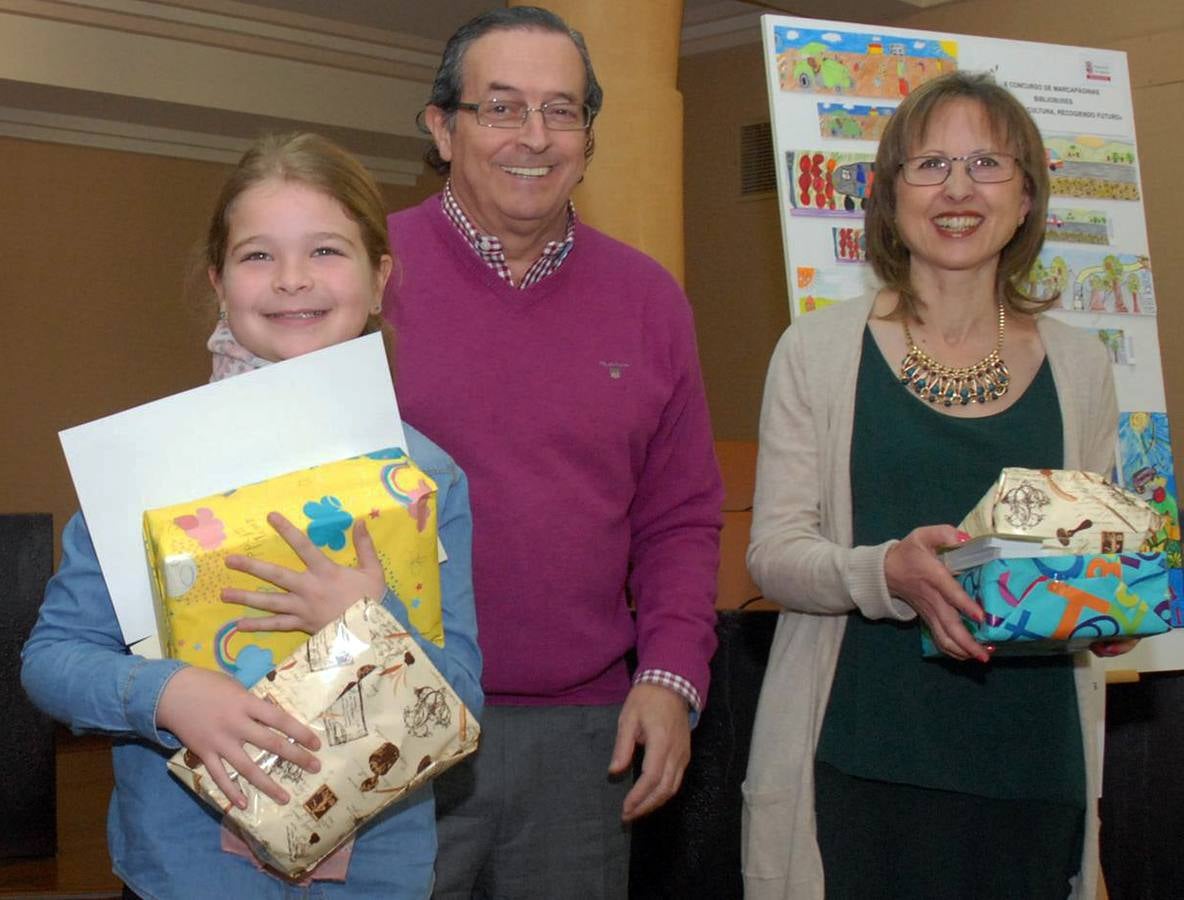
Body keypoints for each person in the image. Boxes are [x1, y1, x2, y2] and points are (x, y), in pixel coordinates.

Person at [21, 133, 482, 900]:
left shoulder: (425, 477)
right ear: (220, 281)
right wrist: (165, 694)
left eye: (327, 250)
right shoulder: (142, 466)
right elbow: (52, 658)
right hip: (184, 873)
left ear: (379, 280)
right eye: (259, 255)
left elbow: (462, 699)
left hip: (372, 879)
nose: (293, 280)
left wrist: (374, 622)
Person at [741, 72, 1133, 900]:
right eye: (929, 165)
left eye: (987, 163)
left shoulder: (1083, 366)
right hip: (861, 762)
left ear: (1027, 197)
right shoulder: (814, 352)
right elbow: (773, 557)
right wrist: (883, 573)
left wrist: (1112, 605)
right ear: (888, 196)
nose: (958, 188)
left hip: (1034, 771)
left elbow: (1089, 557)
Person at [383, 7, 723, 897]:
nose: (533, 137)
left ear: (587, 136)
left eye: (562, 110)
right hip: (393, 718)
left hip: (585, 739)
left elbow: (680, 517)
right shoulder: (364, 274)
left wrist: (673, 674)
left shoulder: (649, 299)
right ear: (441, 126)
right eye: (501, 108)